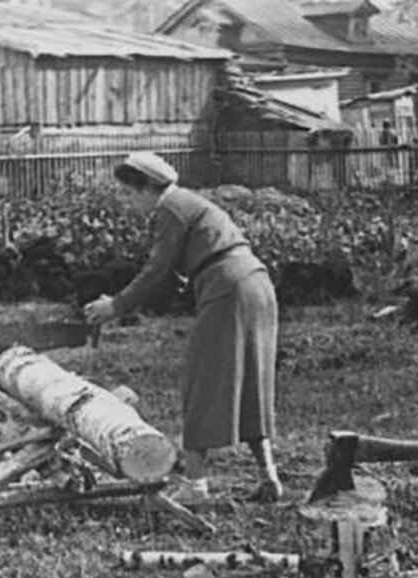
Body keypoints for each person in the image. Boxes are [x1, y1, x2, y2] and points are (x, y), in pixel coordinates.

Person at [82, 151, 282, 504]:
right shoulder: (187, 203)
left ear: (147, 188)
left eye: (130, 194)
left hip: (229, 286)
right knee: (252, 380)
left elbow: (156, 270)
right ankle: (269, 477)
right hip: (254, 281)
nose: (130, 203)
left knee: (200, 379)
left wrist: (115, 306)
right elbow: (174, 271)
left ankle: (195, 484)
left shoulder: (170, 208)